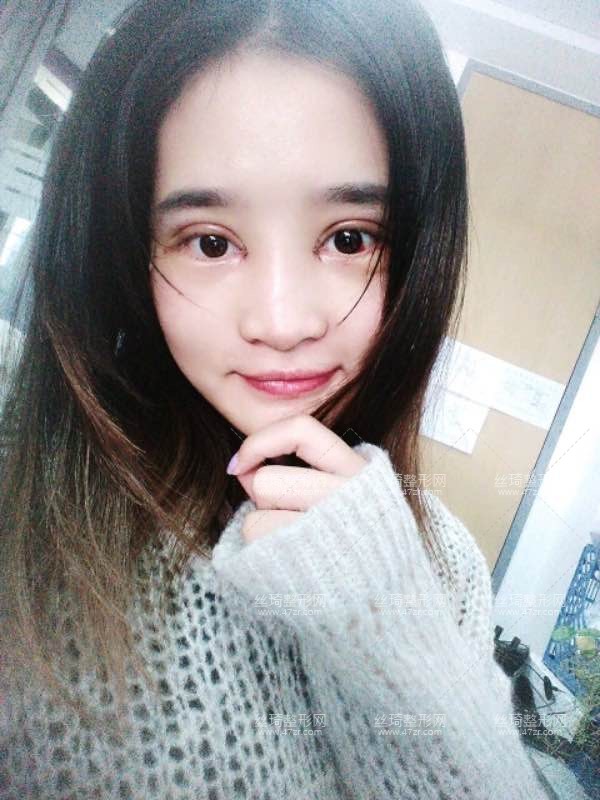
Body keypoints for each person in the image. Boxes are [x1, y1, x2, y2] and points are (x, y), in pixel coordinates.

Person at [0, 0, 550, 797]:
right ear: (126, 253)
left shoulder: (444, 564)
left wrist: (391, 625)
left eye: (350, 238)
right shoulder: (26, 531)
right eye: (210, 243)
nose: (283, 323)